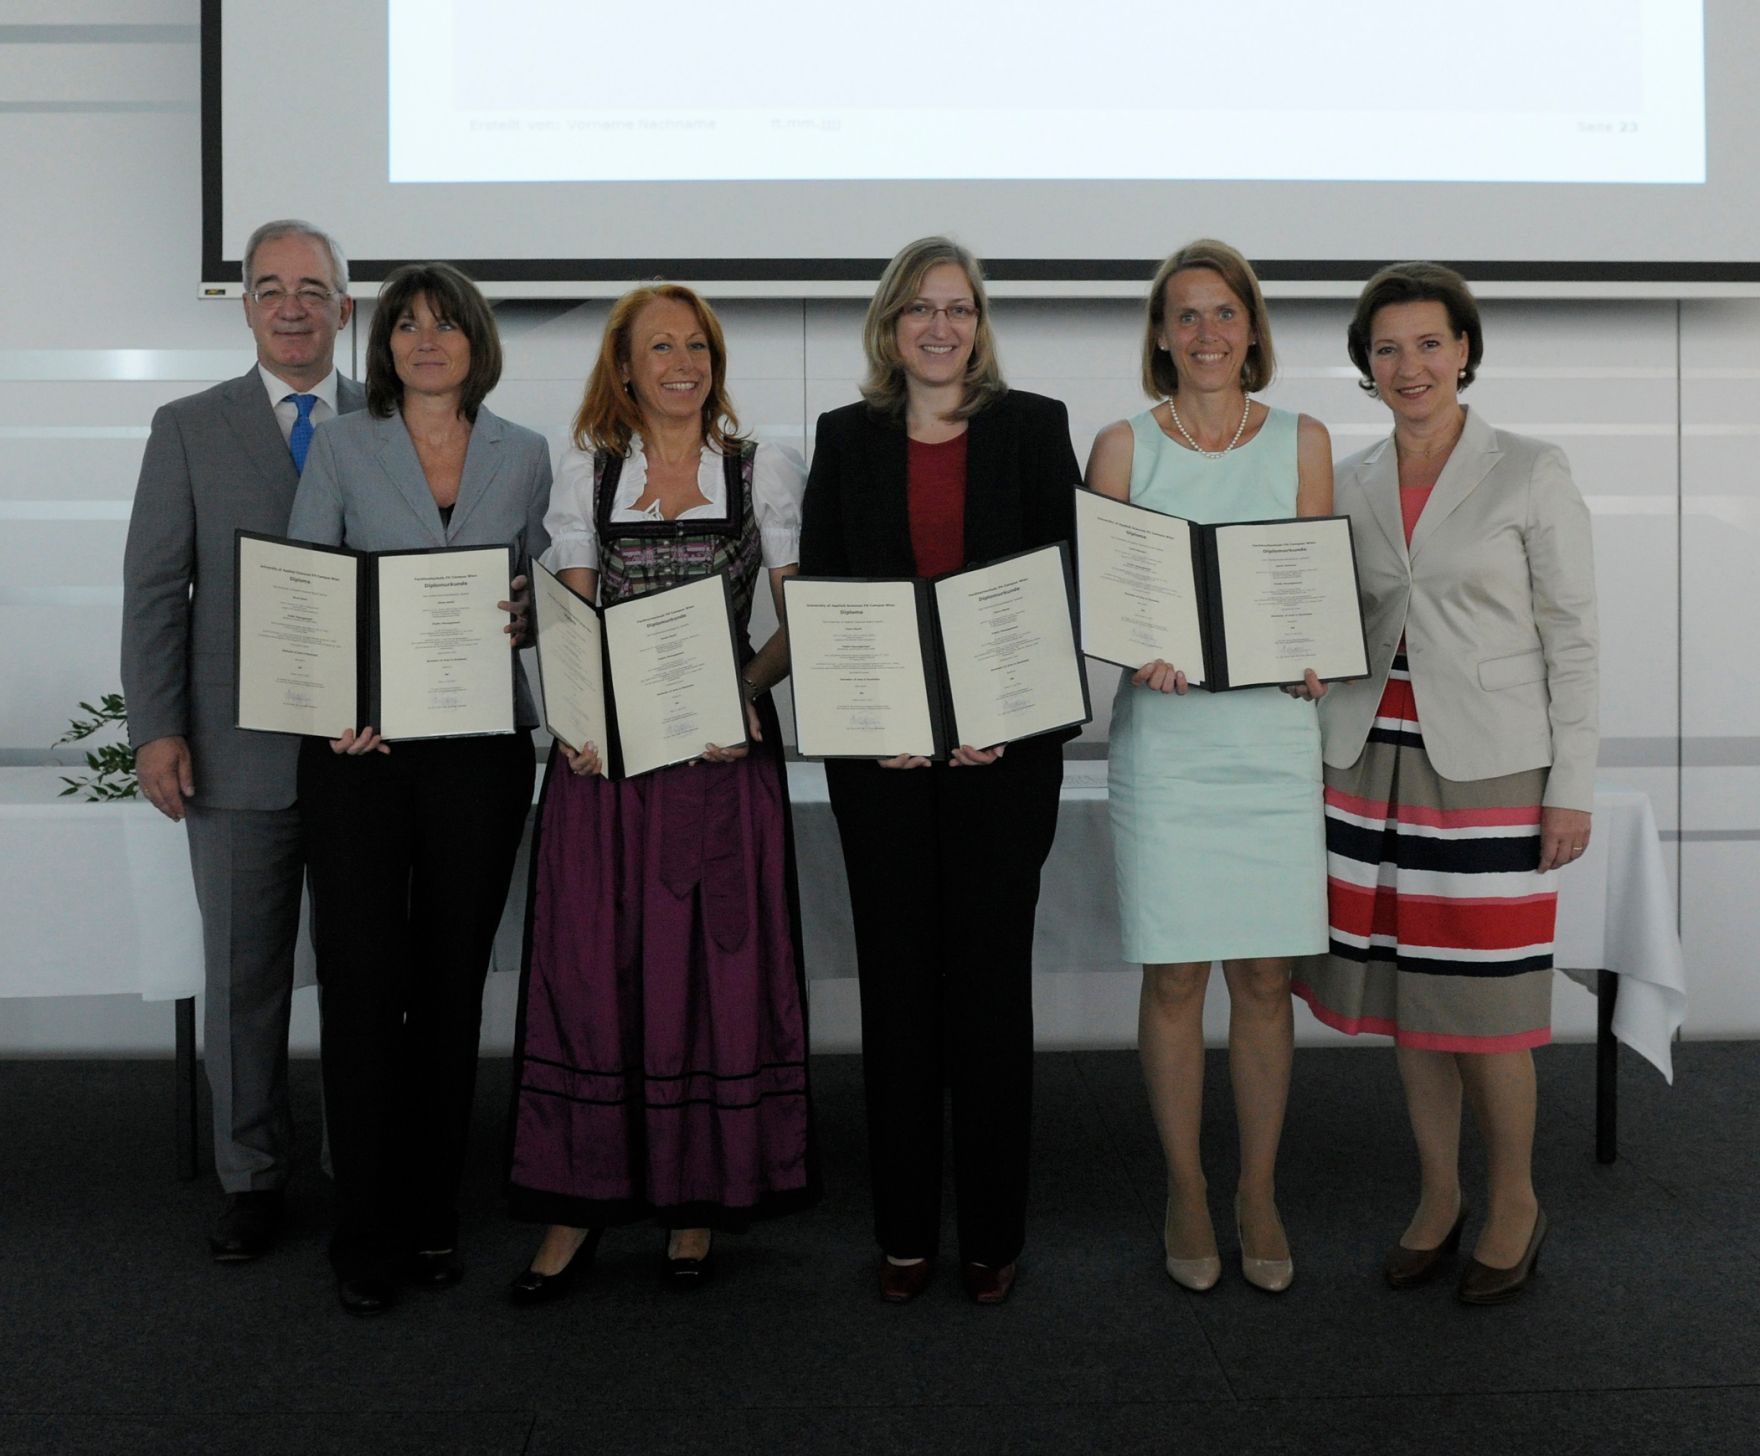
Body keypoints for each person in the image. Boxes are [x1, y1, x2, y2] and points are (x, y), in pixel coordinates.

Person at [1291, 262, 1597, 1304]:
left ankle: (1511, 1198)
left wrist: (1573, 783)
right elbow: (1331, 619)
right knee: (1412, 1002)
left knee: (1487, 1005)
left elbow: (1573, 636)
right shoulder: (1349, 474)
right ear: (1362, 365)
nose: (1408, 365)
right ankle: (1435, 1196)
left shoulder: (1529, 468)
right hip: (1368, 762)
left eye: (1427, 343)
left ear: (1463, 349)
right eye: (1386, 348)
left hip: (1493, 769)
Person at [505, 284, 816, 1300]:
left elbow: (794, 621)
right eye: (657, 346)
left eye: (695, 344)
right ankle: (577, 1203)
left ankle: (696, 1201)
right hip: (611, 775)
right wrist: (576, 721)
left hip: (720, 770)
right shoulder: (586, 476)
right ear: (623, 366)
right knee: (598, 976)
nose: (679, 361)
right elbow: (572, 621)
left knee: (710, 978)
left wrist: (742, 691)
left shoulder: (759, 466)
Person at [799, 236, 1079, 1305]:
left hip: (1001, 766)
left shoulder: (1031, 427)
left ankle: (993, 1235)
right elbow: (822, 600)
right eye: (918, 307)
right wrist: (865, 721)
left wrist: (1008, 718)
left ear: (978, 323)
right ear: (888, 323)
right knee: (900, 998)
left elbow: (1061, 592)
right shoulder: (845, 438)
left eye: (957, 307)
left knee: (988, 998)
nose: (938, 325)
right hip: (880, 766)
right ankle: (905, 1230)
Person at [286, 261, 552, 1314]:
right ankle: (364, 1231)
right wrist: (332, 704)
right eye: (406, 325)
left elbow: (542, 589)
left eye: (445, 325)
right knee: (359, 987)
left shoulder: (524, 452)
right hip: (361, 751)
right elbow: (308, 584)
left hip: (479, 751)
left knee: (448, 985)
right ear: (382, 343)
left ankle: (432, 1211)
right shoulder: (344, 444)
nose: (426, 341)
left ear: (474, 341)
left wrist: (532, 614)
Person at [1084, 239, 1333, 1294]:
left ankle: (1256, 1188)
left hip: (1270, 740)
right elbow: (1104, 608)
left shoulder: (1304, 440)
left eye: (1222, 313)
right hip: (1170, 741)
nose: (1205, 334)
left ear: (1250, 327)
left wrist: (1317, 652)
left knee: (1265, 979)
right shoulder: (1119, 447)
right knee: (1177, 972)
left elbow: (1310, 588)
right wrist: (1128, 642)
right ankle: (1186, 1186)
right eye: (1183, 316)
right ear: (1158, 334)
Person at [122, 219, 361, 1261]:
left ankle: (362, 1167)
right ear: (249, 308)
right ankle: (252, 1177)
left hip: (370, 756)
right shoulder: (187, 425)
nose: (293, 305)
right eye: (271, 288)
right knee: (241, 976)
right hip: (231, 751)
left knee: (365, 977)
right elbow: (153, 591)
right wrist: (157, 728)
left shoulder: (393, 420)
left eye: (313, 287)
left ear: (345, 306)